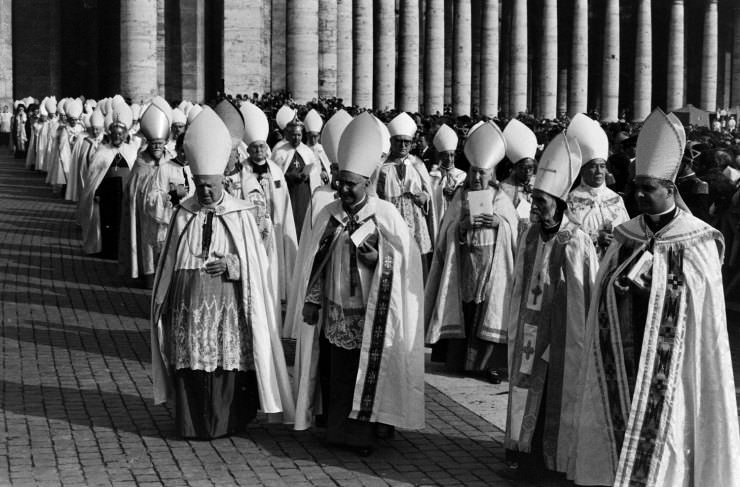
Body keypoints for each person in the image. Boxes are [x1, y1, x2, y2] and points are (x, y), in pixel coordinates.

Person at [571, 108, 740, 487]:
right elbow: (603, 289)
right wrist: (619, 287)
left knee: (671, 434)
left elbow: (703, 307)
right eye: (637, 187)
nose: (641, 195)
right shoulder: (626, 234)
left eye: (649, 187)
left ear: (671, 190)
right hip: (625, 355)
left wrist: (656, 289)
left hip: (675, 365)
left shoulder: (697, 239)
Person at [151, 106, 294, 440]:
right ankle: (192, 423)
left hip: (227, 304)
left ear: (222, 182)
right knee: (191, 362)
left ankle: (227, 421)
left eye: (210, 186)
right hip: (188, 303)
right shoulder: (184, 213)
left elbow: (257, 265)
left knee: (226, 361)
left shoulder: (240, 213)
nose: (204, 193)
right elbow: (169, 260)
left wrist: (234, 265)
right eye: (199, 186)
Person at [288, 112, 425, 456]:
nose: (344, 189)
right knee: (336, 376)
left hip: (369, 315)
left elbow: (407, 264)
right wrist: (313, 300)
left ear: (367, 182)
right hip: (335, 312)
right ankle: (336, 432)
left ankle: (362, 435)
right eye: (342, 182)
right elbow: (316, 263)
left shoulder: (385, 216)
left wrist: (377, 260)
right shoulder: (328, 214)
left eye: (351, 184)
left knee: (365, 374)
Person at [504, 131, 599, 473]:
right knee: (524, 387)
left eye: (541, 201)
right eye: (533, 199)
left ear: (558, 204)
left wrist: (564, 331)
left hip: (558, 332)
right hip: (529, 327)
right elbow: (518, 284)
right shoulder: (529, 235)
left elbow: (581, 293)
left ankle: (550, 457)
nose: (533, 207)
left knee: (552, 394)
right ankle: (521, 449)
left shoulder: (575, 240)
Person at [425, 122, 518, 382]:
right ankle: (460, 361)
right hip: (465, 262)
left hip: (493, 265)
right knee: (466, 310)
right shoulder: (461, 196)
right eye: (474, 172)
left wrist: (500, 224)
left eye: (482, 173)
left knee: (488, 311)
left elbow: (513, 228)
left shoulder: (501, 198)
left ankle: (489, 364)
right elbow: (447, 230)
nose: (477, 178)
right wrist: (462, 227)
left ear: (492, 173)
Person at [237, 101, 298, 333]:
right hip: (251, 231)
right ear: (248, 149)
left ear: (266, 148)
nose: (259, 151)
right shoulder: (243, 170)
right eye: (254, 148)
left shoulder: (275, 170)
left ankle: (272, 316)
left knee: (271, 274)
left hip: (272, 231)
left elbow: (283, 202)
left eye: (262, 147)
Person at [373, 112, 437, 276]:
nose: (403, 146)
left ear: (412, 143)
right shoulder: (381, 167)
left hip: (415, 225)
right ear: (391, 142)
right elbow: (373, 197)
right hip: (390, 224)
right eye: (399, 141)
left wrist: (425, 197)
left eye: (406, 142)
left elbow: (427, 193)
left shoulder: (418, 165)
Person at [119, 97, 173, 288]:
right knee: (147, 248)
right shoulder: (140, 163)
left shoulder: (171, 163)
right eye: (154, 143)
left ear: (165, 143)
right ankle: (146, 276)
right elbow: (134, 189)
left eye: (160, 143)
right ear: (148, 143)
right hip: (144, 216)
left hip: (167, 214)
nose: (157, 147)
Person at [79, 97, 138, 258]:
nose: (118, 136)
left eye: (121, 133)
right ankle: (107, 250)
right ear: (110, 134)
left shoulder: (131, 151)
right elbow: (94, 177)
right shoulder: (102, 152)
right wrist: (95, 193)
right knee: (108, 222)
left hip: (125, 193)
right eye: (115, 134)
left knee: (123, 223)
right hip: (107, 194)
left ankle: (122, 251)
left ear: (125, 134)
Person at [566, 114, 630, 259]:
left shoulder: (616, 199)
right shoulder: (571, 200)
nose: (599, 171)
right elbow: (563, 237)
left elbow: (627, 232)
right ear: (582, 170)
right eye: (593, 167)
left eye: (602, 166)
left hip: (613, 261)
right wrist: (595, 238)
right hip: (584, 262)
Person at [271, 118, 324, 240]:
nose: (296, 138)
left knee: (302, 223)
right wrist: (290, 176)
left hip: (303, 194)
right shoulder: (280, 151)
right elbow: (275, 176)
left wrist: (307, 176)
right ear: (288, 135)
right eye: (293, 135)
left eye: (299, 135)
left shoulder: (307, 152)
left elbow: (315, 174)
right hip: (287, 193)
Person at [501, 119, 537, 233]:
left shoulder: (539, 184)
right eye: (523, 168)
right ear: (515, 168)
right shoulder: (504, 188)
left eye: (530, 168)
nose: (527, 172)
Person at [428, 123, 466, 224]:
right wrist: (441, 190)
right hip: (439, 218)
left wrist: (456, 192)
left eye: (452, 155)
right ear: (440, 156)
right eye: (445, 155)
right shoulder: (432, 176)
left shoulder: (462, 175)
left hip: (457, 218)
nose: (449, 159)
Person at [303, 108, 333, 180]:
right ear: (306, 135)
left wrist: (325, 172)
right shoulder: (302, 150)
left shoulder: (322, 149)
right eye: (310, 136)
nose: (313, 140)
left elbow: (328, 167)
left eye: (315, 136)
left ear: (319, 136)